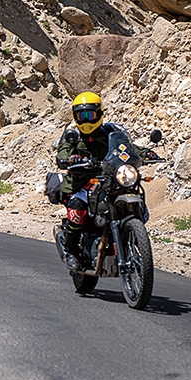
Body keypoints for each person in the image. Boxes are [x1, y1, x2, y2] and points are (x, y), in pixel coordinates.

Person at [55, 91, 151, 270]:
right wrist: (70, 159)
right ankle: (71, 252)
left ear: (99, 114)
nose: (86, 121)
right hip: (81, 183)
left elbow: (127, 148)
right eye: (81, 116)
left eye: (90, 115)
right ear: (75, 117)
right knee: (77, 209)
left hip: (108, 179)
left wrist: (145, 153)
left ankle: (132, 239)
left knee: (132, 190)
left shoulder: (110, 132)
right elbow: (62, 153)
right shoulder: (72, 135)